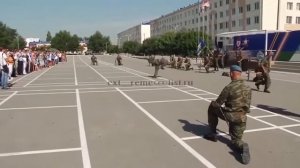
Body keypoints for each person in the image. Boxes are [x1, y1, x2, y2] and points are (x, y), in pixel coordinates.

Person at [203, 65, 252, 165]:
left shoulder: (229, 87)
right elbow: (248, 105)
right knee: (235, 141)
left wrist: (215, 103)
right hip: (242, 118)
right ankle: (243, 146)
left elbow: (218, 103)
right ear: (240, 74)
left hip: (230, 115)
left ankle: (212, 133)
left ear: (231, 73)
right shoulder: (248, 88)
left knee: (212, 107)